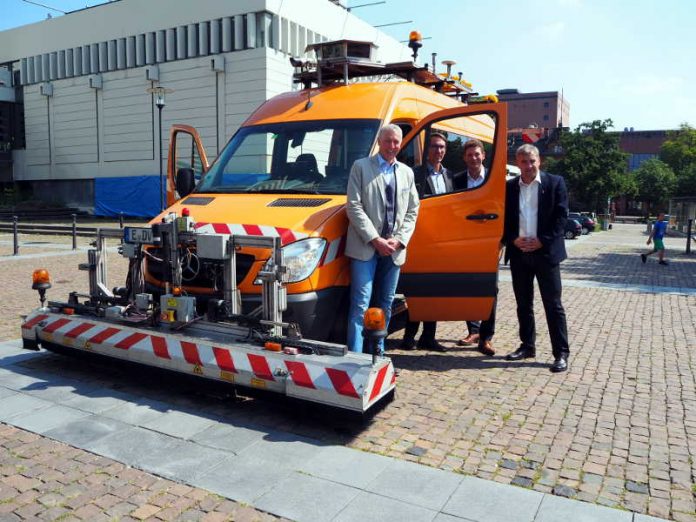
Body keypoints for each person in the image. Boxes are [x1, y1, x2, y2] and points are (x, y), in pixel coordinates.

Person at [346, 124, 420, 354]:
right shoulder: (360, 167)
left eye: (396, 141)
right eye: (388, 141)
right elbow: (354, 206)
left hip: (394, 249)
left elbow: (413, 210)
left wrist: (399, 239)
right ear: (379, 142)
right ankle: (355, 358)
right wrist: (375, 239)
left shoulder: (407, 172)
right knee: (361, 304)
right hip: (365, 247)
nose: (392, 146)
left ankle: (377, 353)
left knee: (385, 305)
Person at [503, 144, 570, 373]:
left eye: (532, 161)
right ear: (517, 163)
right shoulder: (509, 187)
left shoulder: (555, 183)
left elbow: (562, 217)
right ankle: (527, 345)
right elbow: (504, 220)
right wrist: (513, 239)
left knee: (553, 305)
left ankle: (560, 353)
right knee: (524, 304)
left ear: (539, 161)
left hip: (546, 253)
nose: (528, 165)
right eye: (523, 161)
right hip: (520, 254)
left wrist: (543, 240)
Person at [401, 132, 453, 351]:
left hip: (442, 242)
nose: (438, 151)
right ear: (427, 149)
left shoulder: (449, 175)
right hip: (422, 238)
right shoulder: (415, 174)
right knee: (417, 290)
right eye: (434, 147)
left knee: (436, 290)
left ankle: (428, 337)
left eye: (441, 147)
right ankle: (408, 336)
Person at [455, 139, 496, 356]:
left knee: (490, 290)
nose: (473, 158)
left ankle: (486, 338)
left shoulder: (494, 177)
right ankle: (473, 330)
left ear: (483, 156)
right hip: (464, 241)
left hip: (488, 240)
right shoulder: (458, 179)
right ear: (464, 158)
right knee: (466, 286)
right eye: (469, 155)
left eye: (477, 154)